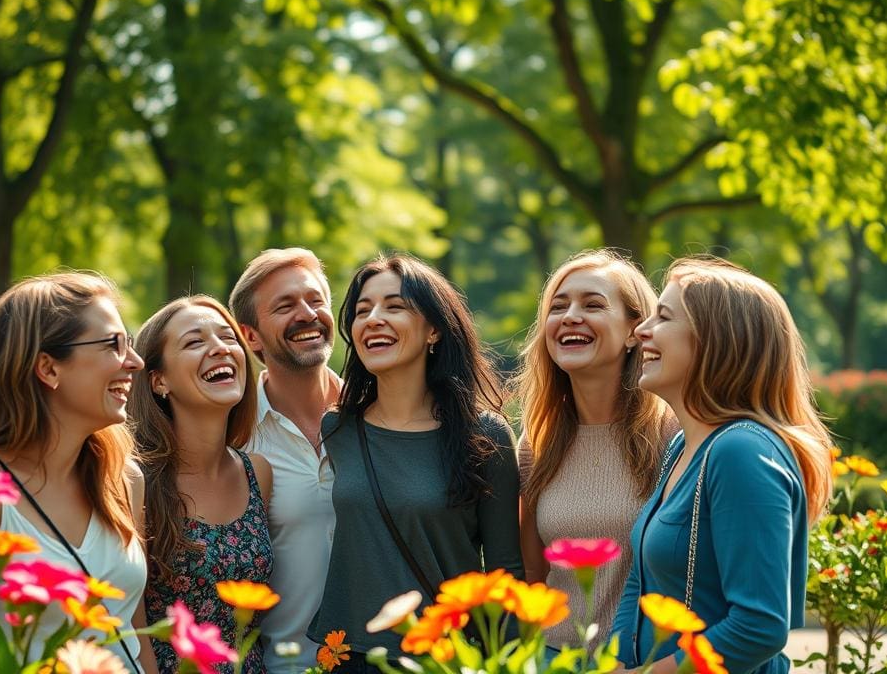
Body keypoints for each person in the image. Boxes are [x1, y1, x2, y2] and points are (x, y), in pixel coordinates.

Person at [611, 257, 833, 674]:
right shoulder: (680, 447)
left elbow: (760, 626)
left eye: (664, 317)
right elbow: (640, 583)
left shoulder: (741, 452)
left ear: (715, 340)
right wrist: (616, 663)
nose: (641, 331)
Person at [309, 253, 523, 669]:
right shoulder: (337, 430)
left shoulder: (486, 436)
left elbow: (505, 572)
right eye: (362, 310)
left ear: (434, 330)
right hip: (345, 654)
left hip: (441, 658)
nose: (373, 318)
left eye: (395, 306)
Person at [0, 272, 157, 673]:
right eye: (115, 344)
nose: (135, 361)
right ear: (48, 368)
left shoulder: (125, 480)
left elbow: (134, 632)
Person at [516, 250, 676, 650]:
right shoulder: (537, 441)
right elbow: (533, 575)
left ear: (634, 331)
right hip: (555, 658)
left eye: (593, 305)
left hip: (644, 661)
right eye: (558, 306)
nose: (570, 316)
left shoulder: (672, 435)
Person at [129, 296, 273, 674]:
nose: (220, 348)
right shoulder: (136, 480)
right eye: (195, 342)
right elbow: (131, 620)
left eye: (228, 337)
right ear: (159, 381)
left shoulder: (257, 473)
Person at [228, 248, 341, 674]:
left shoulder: (376, 419)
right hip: (281, 666)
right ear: (251, 336)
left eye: (316, 300)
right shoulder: (233, 438)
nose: (307, 314)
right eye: (285, 306)